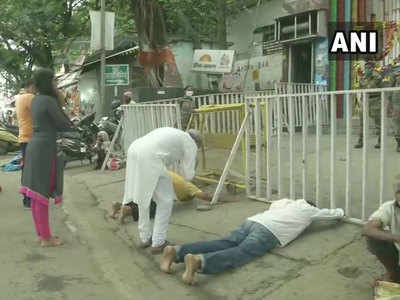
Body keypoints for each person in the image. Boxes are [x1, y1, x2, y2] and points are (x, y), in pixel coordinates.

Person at [160, 198, 344, 285]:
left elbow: (275, 204)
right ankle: (199, 261)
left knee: (225, 242)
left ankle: (176, 251)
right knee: (241, 253)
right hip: (269, 233)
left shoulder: (287, 203)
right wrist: (341, 213)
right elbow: (331, 214)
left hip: (254, 221)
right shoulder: (309, 211)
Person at [123, 127, 202, 254]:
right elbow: (188, 174)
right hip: (150, 157)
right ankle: (158, 242)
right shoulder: (190, 143)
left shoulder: (175, 133)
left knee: (143, 197)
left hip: (134, 150)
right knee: (165, 200)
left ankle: (145, 238)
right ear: (197, 142)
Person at [19, 68, 74, 248]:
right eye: (54, 81)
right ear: (48, 82)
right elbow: (64, 124)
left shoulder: (35, 100)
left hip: (35, 145)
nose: (56, 84)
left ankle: (42, 234)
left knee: (36, 194)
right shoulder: (49, 101)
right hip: (45, 148)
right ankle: (46, 238)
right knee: (42, 193)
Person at [110, 171, 213, 223]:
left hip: (148, 178)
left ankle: (119, 205)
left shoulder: (177, 176)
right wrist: (215, 198)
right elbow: (203, 196)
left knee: (141, 199)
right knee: (152, 208)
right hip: (157, 187)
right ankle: (128, 210)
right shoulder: (188, 186)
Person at [363, 182, 400, 283]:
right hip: (397, 251)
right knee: (374, 237)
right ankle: (393, 273)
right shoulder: (390, 207)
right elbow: (368, 229)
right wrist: (396, 238)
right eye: (398, 192)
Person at [15, 79, 36, 209]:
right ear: (29, 86)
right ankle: (29, 199)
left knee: (27, 168)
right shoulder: (29, 97)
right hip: (30, 138)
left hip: (24, 138)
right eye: (35, 87)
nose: (36, 89)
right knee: (31, 169)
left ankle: (27, 198)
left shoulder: (19, 98)